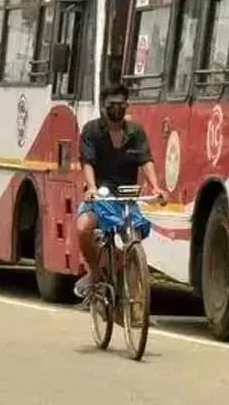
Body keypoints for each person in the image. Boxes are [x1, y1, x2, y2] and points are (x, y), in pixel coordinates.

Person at [74, 84, 167, 298]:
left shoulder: (135, 131)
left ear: (127, 106)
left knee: (133, 236)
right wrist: (92, 188)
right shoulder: (91, 131)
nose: (116, 109)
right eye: (111, 105)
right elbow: (87, 161)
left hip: (126, 197)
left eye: (121, 105)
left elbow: (146, 160)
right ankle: (95, 272)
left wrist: (156, 187)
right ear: (103, 107)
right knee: (83, 227)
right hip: (100, 196)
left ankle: (131, 288)